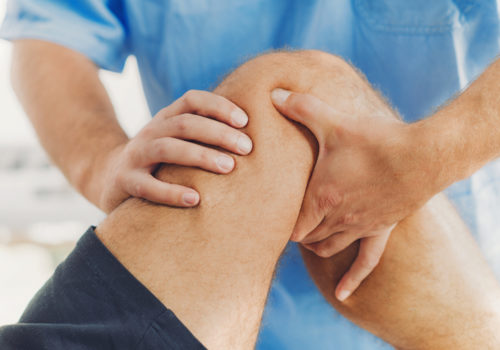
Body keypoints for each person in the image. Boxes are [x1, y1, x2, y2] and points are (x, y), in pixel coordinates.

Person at [2, 1, 500, 348]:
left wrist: (430, 157)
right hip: (206, 297)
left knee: (294, 93)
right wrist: (101, 162)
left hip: (459, 264)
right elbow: (49, 31)